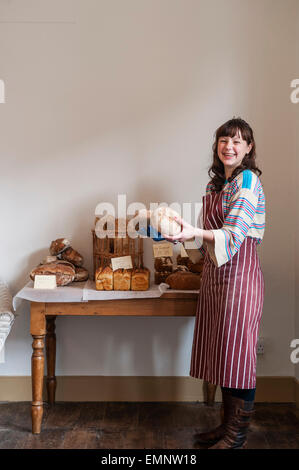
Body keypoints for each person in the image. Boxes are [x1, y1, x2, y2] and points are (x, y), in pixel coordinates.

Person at [164, 117, 266, 449]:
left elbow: (234, 234)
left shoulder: (247, 182)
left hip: (240, 280)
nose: (229, 146)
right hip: (213, 278)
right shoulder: (214, 186)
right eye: (224, 140)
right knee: (224, 355)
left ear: (248, 148)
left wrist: (193, 233)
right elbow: (207, 239)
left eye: (237, 141)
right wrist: (181, 237)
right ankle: (225, 427)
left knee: (239, 357)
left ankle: (236, 435)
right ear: (216, 146)